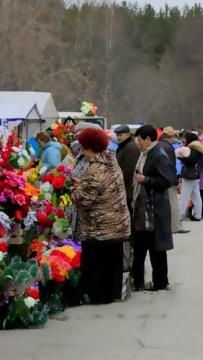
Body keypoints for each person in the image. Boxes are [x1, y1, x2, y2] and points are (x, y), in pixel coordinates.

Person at [71, 128, 130, 304]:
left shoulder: (94, 170)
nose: (82, 151)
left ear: (89, 147)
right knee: (113, 263)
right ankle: (111, 294)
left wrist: (75, 189)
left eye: (83, 148)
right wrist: (84, 184)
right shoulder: (111, 161)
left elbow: (83, 201)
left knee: (97, 263)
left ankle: (98, 296)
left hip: (100, 226)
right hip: (117, 223)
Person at [132, 125, 175, 291]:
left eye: (140, 139)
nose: (138, 143)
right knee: (146, 247)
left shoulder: (158, 155)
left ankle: (158, 282)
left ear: (148, 139)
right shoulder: (147, 153)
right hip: (146, 207)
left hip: (154, 208)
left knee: (155, 248)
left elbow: (167, 180)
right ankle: (145, 282)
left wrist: (146, 180)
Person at [159, 126, 189, 234]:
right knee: (173, 203)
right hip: (169, 179)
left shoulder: (159, 145)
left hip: (160, 178)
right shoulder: (169, 147)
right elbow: (171, 166)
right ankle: (176, 227)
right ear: (171, 137)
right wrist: (176, 182)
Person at [177, 132, 203, 222]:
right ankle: (198, 215)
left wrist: (181, 158)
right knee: (196, 195)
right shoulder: (199, 149)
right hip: (196, 175)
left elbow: (189, 160)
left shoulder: (191, 149)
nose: (184, 140)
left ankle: (179, 216)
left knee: (184, 196)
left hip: (189, 175)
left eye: (186, 138)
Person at [114, 125, 140, 214]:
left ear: (128, 134)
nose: (118, 137)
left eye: (121, 135)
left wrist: (119, 181)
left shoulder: (130, 147)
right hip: (125, 186)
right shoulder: (125, 145)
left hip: (128, 187)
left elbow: (129, 169)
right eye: (117, 135)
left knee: (129, 212)